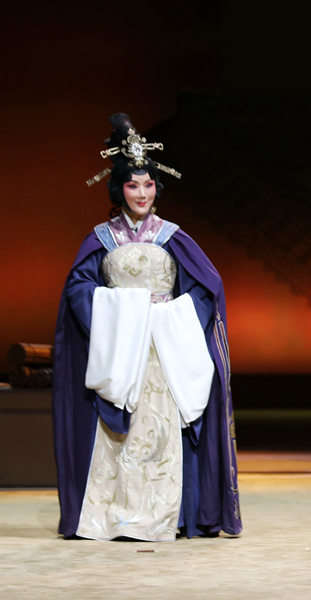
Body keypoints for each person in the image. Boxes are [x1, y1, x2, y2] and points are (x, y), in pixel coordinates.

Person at [52, 113, 242, 541]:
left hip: (163, 349)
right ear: (118, 189)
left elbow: (206, 288)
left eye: (149, 184)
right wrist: (122, 312)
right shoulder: (101, 239)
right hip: (121, 351)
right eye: (133, 185)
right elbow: (78, 289)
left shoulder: (172, 237)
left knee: (163, 431)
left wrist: (170, 315)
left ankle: (171, 516)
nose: (142, 193)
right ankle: (113, 516)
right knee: (116, 437)